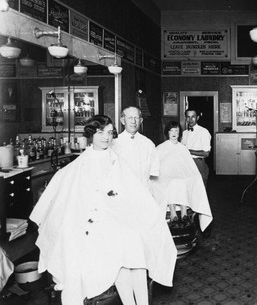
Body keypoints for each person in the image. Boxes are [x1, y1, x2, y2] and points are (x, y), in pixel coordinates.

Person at [30, 115, 177, 305]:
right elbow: (75, 197)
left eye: (109, 133)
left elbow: (132, 191)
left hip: (116, 217)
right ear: (91, 134)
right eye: (100, 133)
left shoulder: (115, 159)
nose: (106, 138)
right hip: (91, 223)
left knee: (136, 253)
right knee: (124, 254)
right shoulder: (81, 163)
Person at [151, 121, 213, 231]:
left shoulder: (183, 148)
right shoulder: (160, 148)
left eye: (176, 130)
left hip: (180, 176)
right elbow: (156, 167)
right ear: (167, 132)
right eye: (171, 130)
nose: (174, 133)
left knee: (183, 181)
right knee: (172, 182)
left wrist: (193, 176)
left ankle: (184, 213)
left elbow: (189, 167)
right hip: (165, 177)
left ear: (179, 133)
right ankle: (173, 214)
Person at [111, 106, 160, 188]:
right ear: (123, 121)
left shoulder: (148, 144)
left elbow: (154, 173)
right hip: (122, 190)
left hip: (144, 191)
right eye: (130, 118)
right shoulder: (114, 143)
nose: (133, 121)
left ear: (141, 121)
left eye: (136, 118)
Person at [181, 108, 211, 188]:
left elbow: (206, 153)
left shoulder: (203, 132)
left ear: (197, 118)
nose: (190, 119)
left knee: (200, 190)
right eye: (188, 117)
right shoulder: (185, 133)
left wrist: (188, 151)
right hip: (186, 164)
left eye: (193, 117)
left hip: (198, 163)